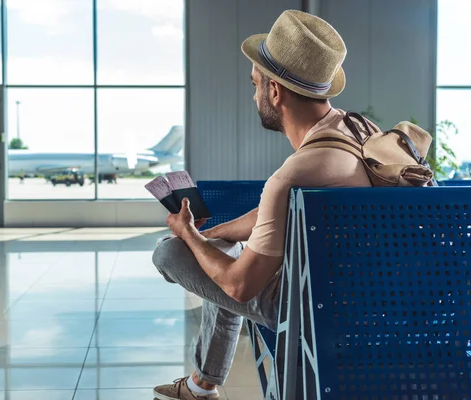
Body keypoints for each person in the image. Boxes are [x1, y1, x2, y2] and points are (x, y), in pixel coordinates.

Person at [151, 9, 373, 400]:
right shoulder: (358, 131)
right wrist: (210, 235)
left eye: (255, 84)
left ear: (274, 91)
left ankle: (202, 385)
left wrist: (185, 234)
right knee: (223, 250)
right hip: (380, 299)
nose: (254, 95)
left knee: (169, 252)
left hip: (319, 312)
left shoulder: (293, 174)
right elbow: (272, 215)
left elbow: (240, 286)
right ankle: (202, 385)